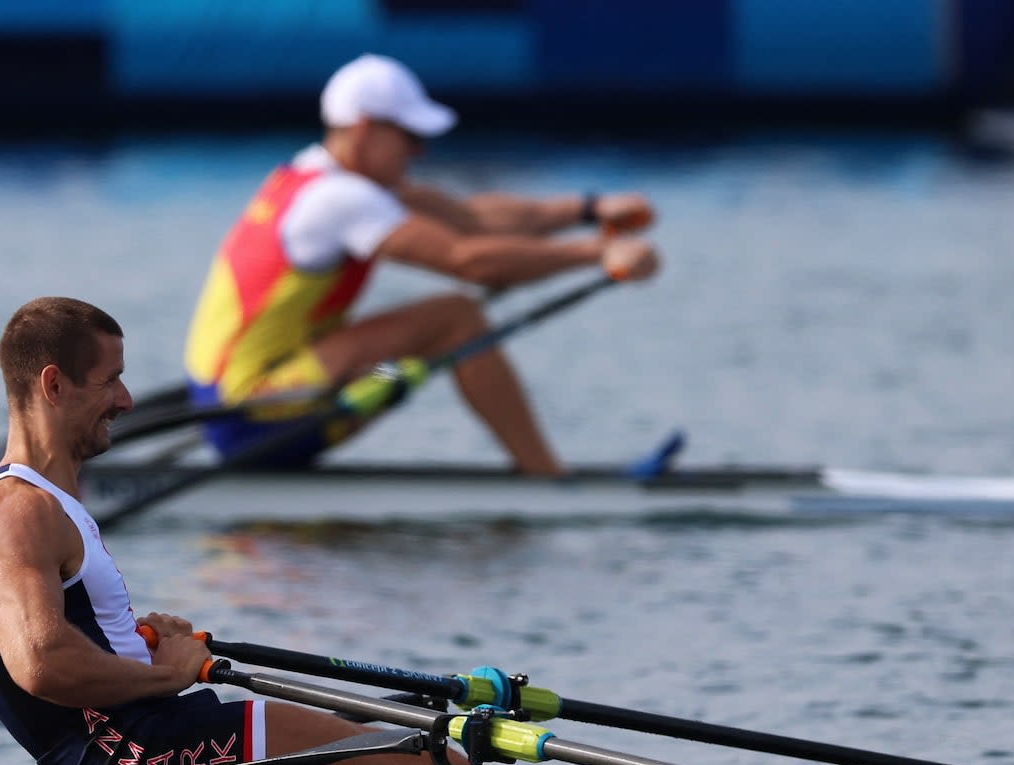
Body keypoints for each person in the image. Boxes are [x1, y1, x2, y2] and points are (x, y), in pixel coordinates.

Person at [0, 296, 614, 765]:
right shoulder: (14, 512)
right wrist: (161, 674)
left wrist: (134, 636)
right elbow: (40, 663)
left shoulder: (29, 502)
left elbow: (56, 637)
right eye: (110, 378)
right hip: (147, 762)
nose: (126, 397)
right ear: (54, 384)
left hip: (153, 754)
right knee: (437, 764)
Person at [182, 53, 660, 475]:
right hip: (259, 412)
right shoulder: (338, 199)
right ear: (365, 129)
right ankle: (547, 479)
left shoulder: (309, 178)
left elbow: (471, 220)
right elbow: (470, 260)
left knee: (409, 364)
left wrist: (590, 210)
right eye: (409, 136)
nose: (420, 150)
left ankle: (527, 468)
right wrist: (598, 253)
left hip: (241, 411)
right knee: (456, 319)